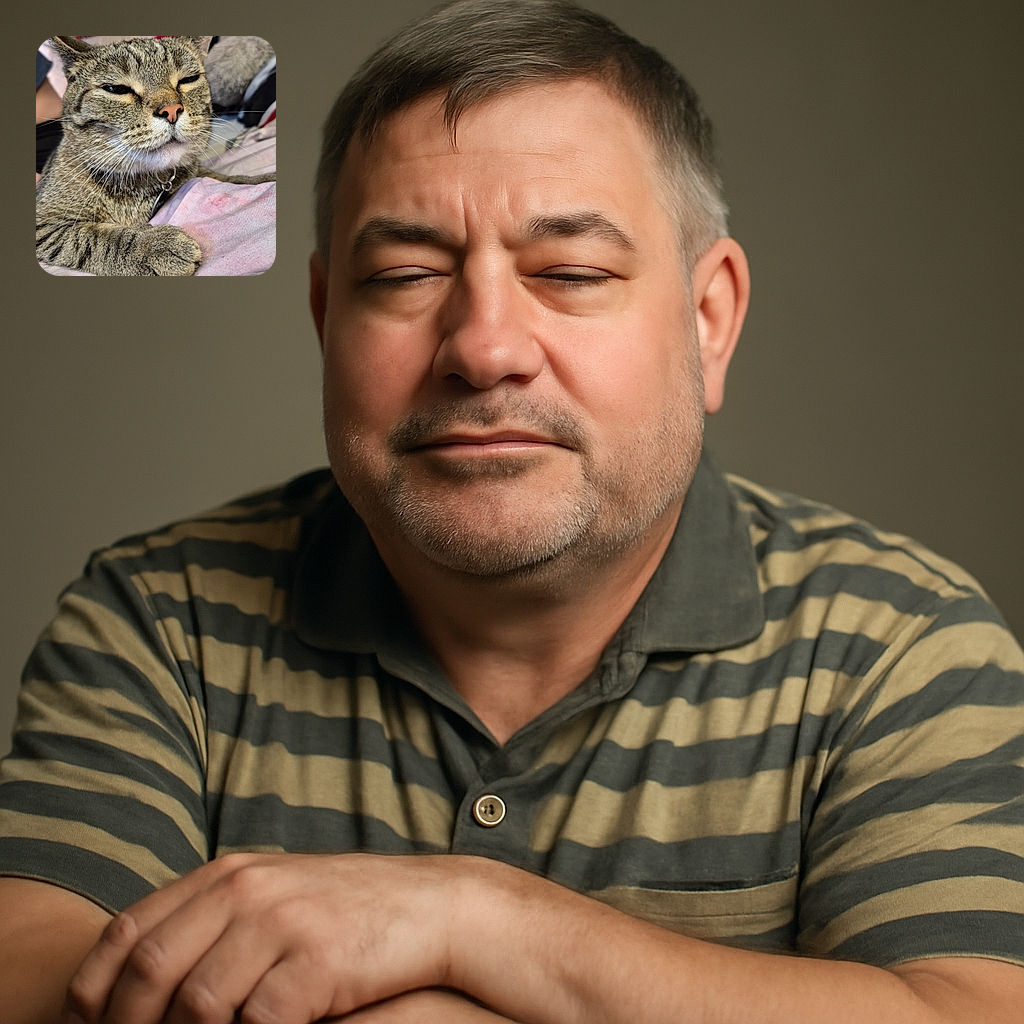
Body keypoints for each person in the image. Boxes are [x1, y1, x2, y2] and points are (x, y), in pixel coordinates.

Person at [2, 1, 1022, 1021]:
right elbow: (29, 978)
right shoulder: (156, 621)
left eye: (570, 273)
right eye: (403, 275)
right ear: (326, 321)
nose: (484, 347)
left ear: (707, 323)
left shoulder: (904, 646)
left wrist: (473, 918)